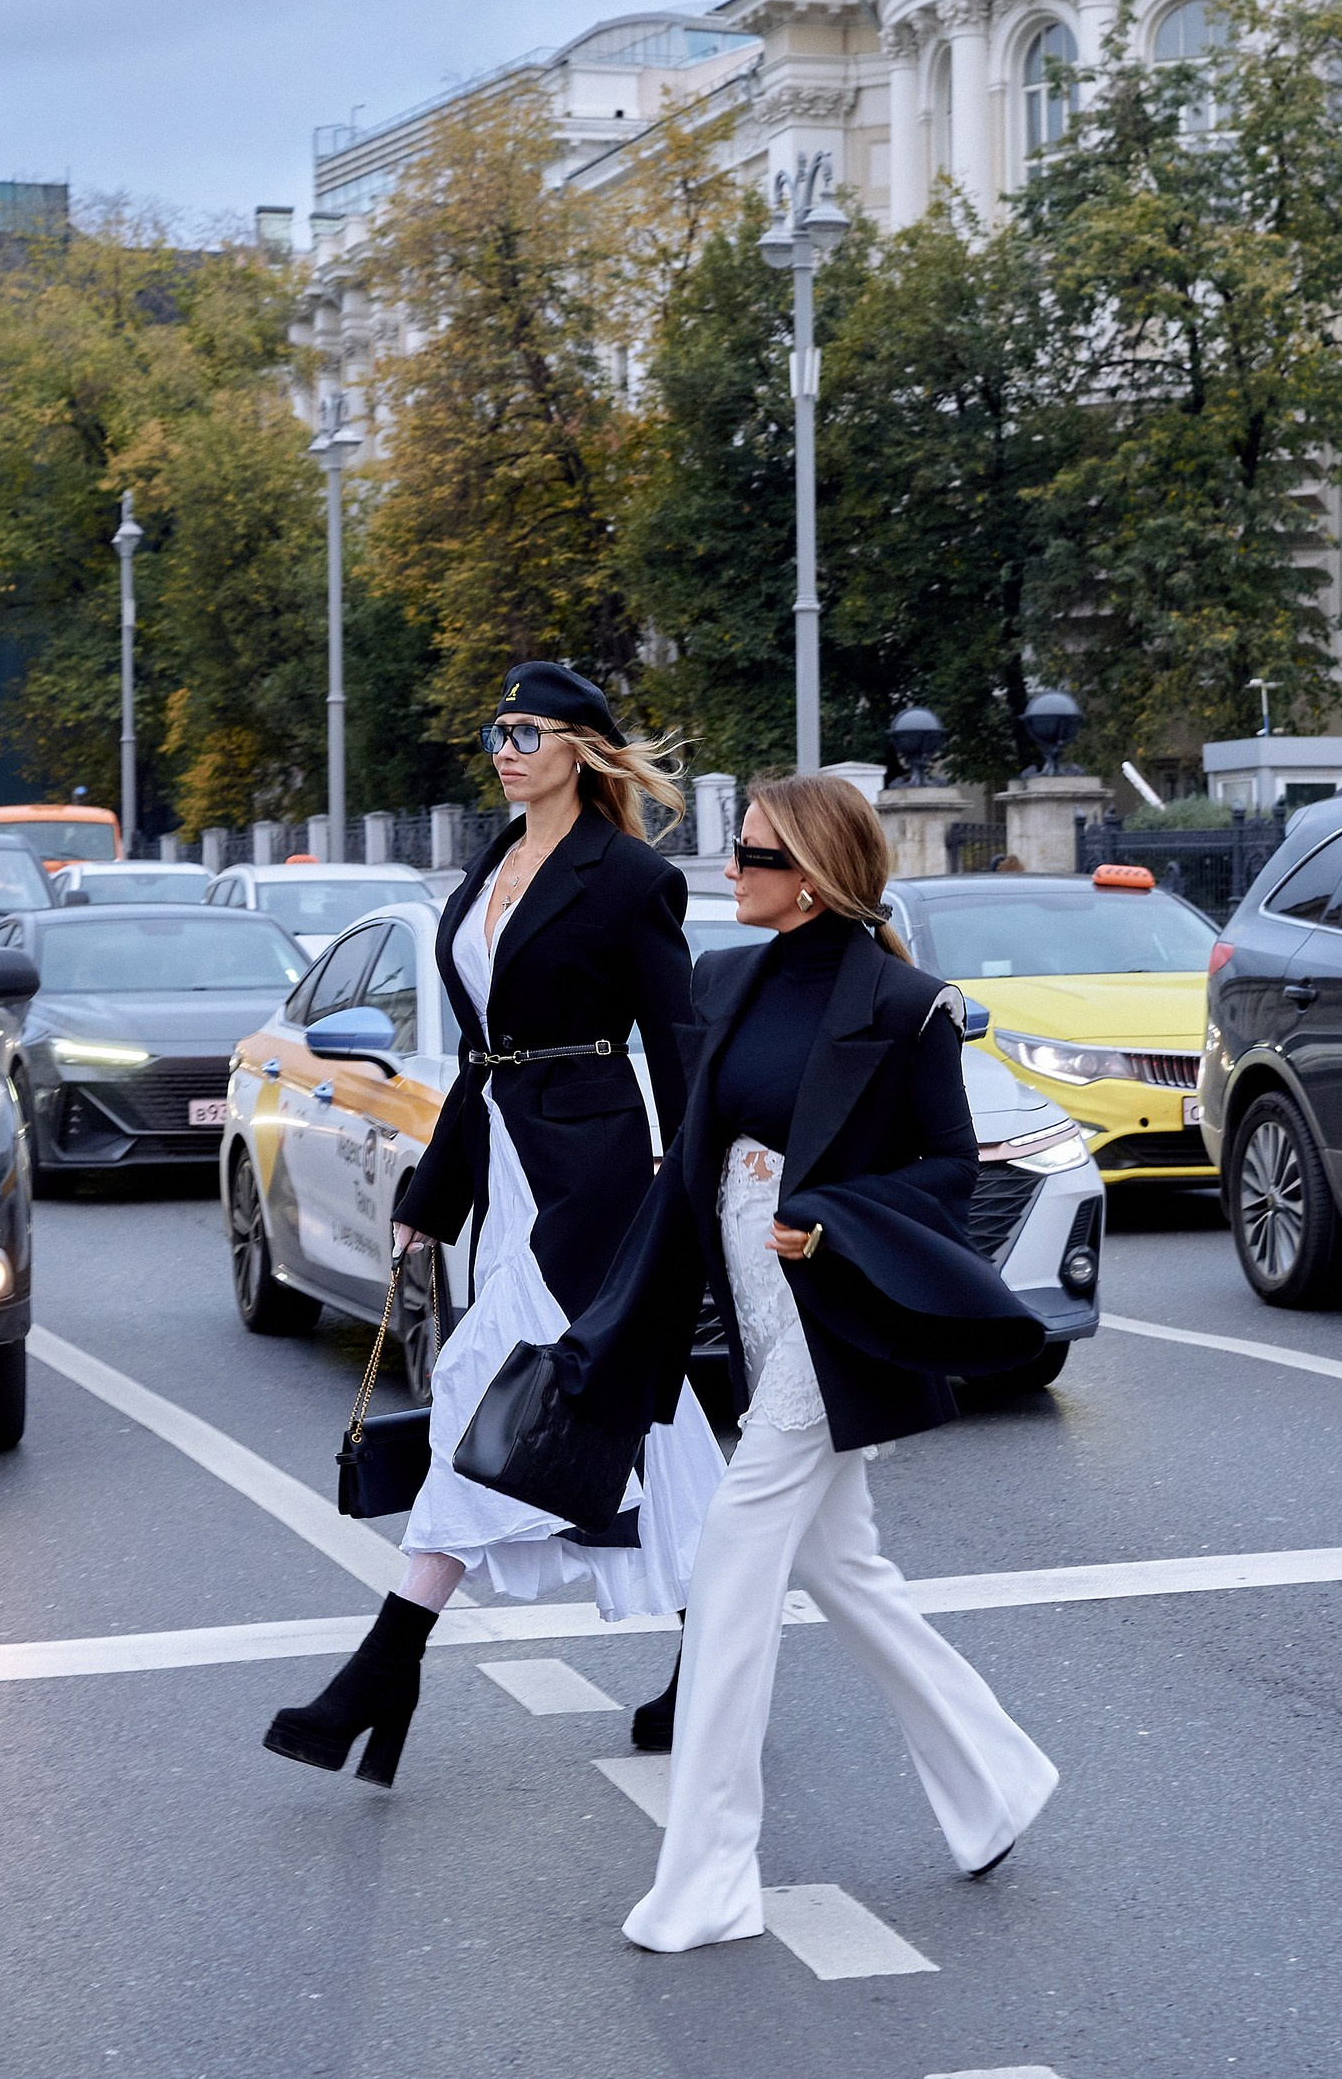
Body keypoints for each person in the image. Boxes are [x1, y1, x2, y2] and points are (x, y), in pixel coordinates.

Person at [557, 773, 1058, 1954]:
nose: (729, 869)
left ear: (816, 875)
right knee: (845, 1565)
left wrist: (833, 1216)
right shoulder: (720, 981)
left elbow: (950, 1169)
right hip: (748, 1302)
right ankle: (994, 1776)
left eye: (753, 855)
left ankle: (713, 1868)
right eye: (735, 852)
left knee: (732, 1558)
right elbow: (691, 1159)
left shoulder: (902, 1004)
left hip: (827, 1312)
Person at [262, 663, 724, 1788]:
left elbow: (678, 1045)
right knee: (651, 1433)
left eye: (527, 730)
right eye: (495, 729)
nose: (504, 746)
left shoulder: (628, 879)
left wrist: (696, 1196)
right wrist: (432, 1197)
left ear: (580, 747)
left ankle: (381, 1669)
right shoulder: (489, 864)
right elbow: (483, 1054)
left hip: (595, 1180)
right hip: (508, 1167)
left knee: (486, 1389)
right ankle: (715, 1649)